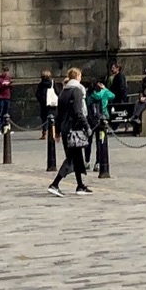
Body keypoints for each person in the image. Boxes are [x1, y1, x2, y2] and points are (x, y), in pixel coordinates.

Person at [47, 68, 92, 196]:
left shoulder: (63, 92)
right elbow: (78, 112)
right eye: (80, 75)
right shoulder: (76, 91)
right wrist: (87, 126)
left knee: (77, 157)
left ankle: (80, 185)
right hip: (74, 128)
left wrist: (57, 131)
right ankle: (55, 184)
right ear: (77, 76)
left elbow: (59, 114)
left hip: (65, 128)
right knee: (71, 158)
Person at [0, 67, 14, 134]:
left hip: (7, 97)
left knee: (6, 114)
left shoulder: (8, 78)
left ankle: (6, 129)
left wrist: (10, 85)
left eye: (7, 72)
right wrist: (3, 86)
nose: (6, 73)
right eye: (5, 71)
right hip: (0, 97)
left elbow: (10, 88)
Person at [38, 71, 58, 144]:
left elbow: (38, 94)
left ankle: (44, 133)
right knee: (53, 118)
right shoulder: (52, 83)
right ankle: (53, 132)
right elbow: (57, 91)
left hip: (44, 104)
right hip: (52, 103)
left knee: (44, 118)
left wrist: (41, 100)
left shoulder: (40, 84)